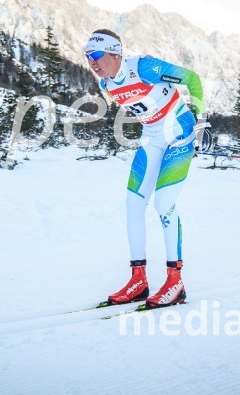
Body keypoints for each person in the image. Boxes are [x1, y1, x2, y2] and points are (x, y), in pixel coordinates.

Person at [84, 29, 212, 308]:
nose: (92, 62)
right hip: (153, 139)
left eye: (96, 55)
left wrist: (202, 121)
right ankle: (138, 280)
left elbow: (192, 79)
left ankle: (175, 281)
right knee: (133, 203)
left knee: (164, 203)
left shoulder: (144, 67)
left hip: (180, 135)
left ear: (115, 53)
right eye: (87, 57)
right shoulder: (107, 85)